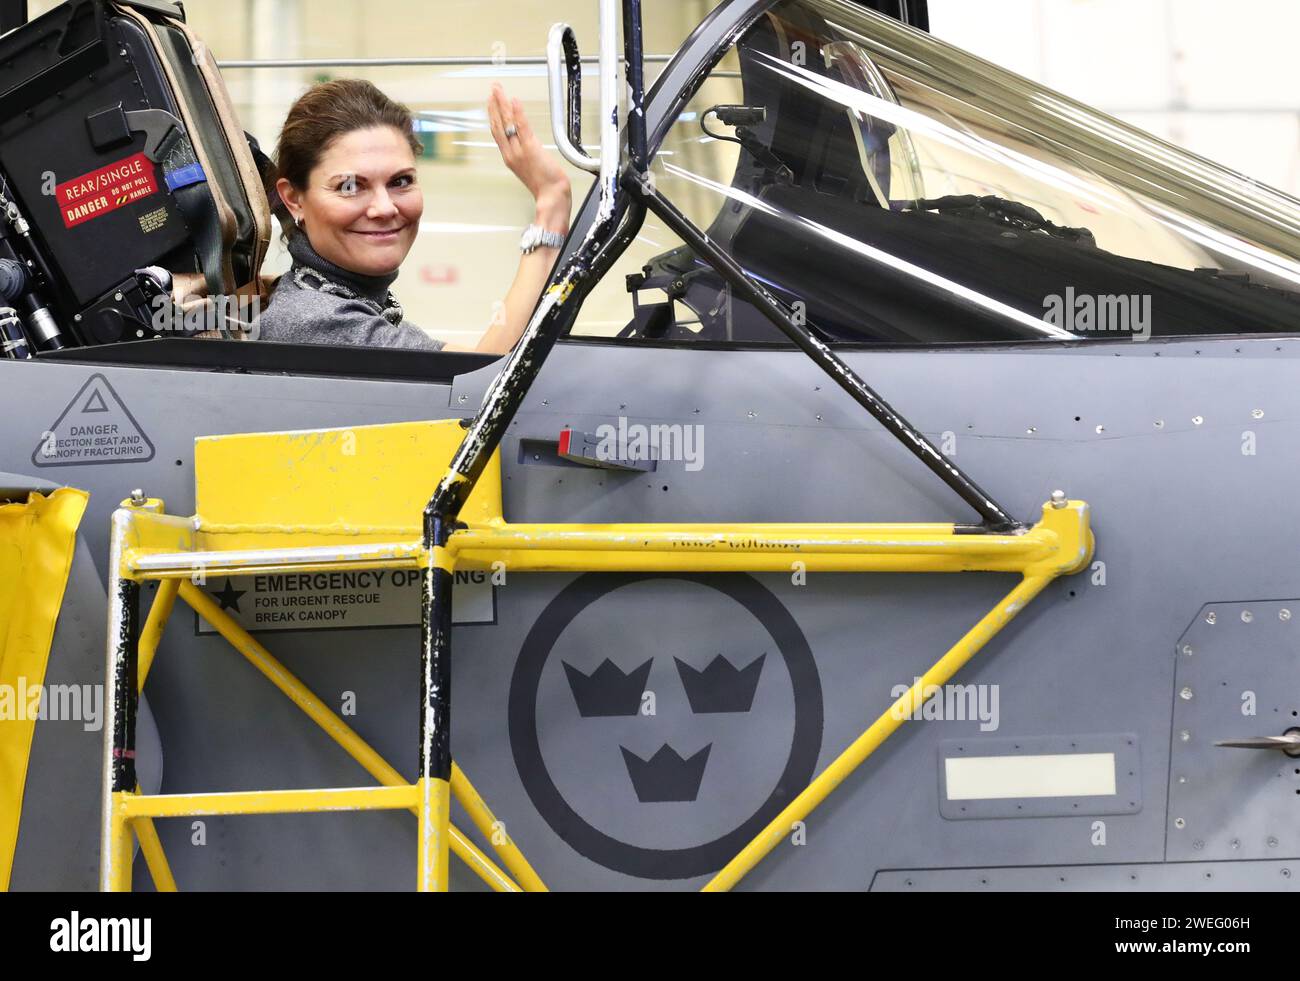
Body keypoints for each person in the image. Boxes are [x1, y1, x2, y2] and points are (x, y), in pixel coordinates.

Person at [254, 78, 572, 354]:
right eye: (350, 186)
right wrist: (551, 203)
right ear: (294, 199)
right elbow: (486, 383)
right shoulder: (317, 321)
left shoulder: (345, 300)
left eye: (400, 181)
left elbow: (475, 366)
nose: (385, 207)